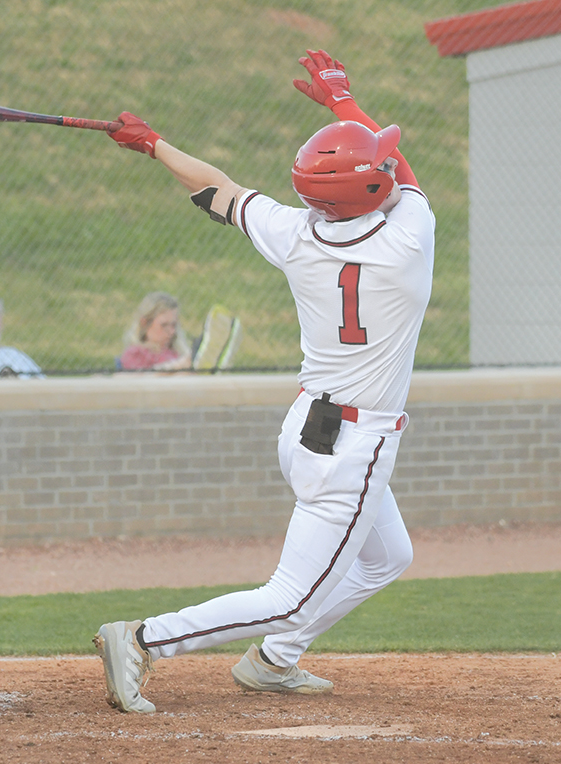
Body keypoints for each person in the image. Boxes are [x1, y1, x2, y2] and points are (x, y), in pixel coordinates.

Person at [93, 49, 435, 713]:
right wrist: (341, 100)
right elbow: (399, 169)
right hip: (353, 449)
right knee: (292, 596)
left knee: (386, 557)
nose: (389, 168)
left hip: (307, 426)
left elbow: (214, 188)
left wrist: (153, 144)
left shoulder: (297, 232)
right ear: (369, 191)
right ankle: (142, 639)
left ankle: (275, 660)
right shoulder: (408, 239)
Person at [118, 292, 192, 371]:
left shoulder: (176, 352)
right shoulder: (135, 354)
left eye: (173, 325)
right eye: (164, 325)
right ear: (144, 323)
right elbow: (142, 379)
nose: (171, 332)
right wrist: (177, 366)